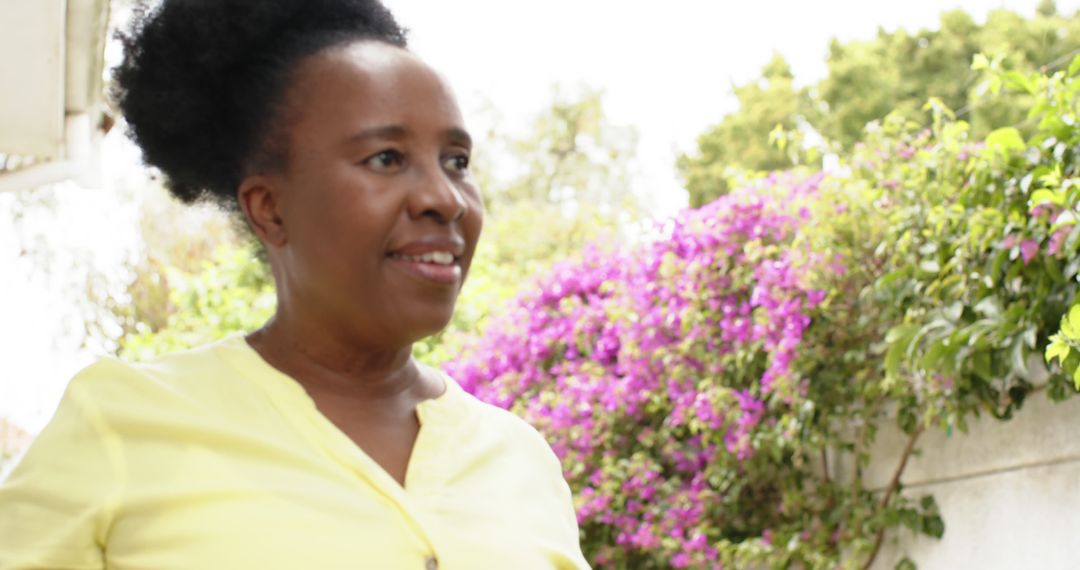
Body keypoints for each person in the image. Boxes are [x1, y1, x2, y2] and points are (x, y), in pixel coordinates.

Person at [0, 1, 590, 568]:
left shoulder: (521, 461)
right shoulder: (123, 423)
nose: (443, 197)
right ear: (270, 209)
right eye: (386, 158)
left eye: (457, 161)